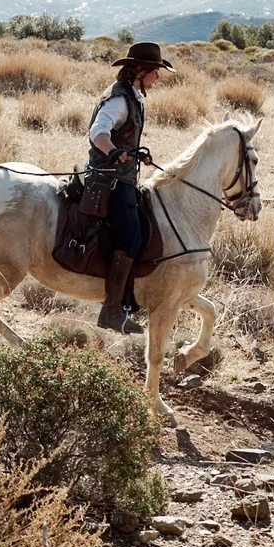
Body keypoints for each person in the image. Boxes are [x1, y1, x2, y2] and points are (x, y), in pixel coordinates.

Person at [86, 41, 173, 333]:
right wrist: (112, 151)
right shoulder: (119, 100)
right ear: (141, 71)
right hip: (110, 180)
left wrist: (136, 155)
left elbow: (122, 137)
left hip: (123, 177)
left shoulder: (132, 97)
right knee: (132, 237)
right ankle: (111, 311)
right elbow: (98, 132)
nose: (157, 78)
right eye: (155, 72)